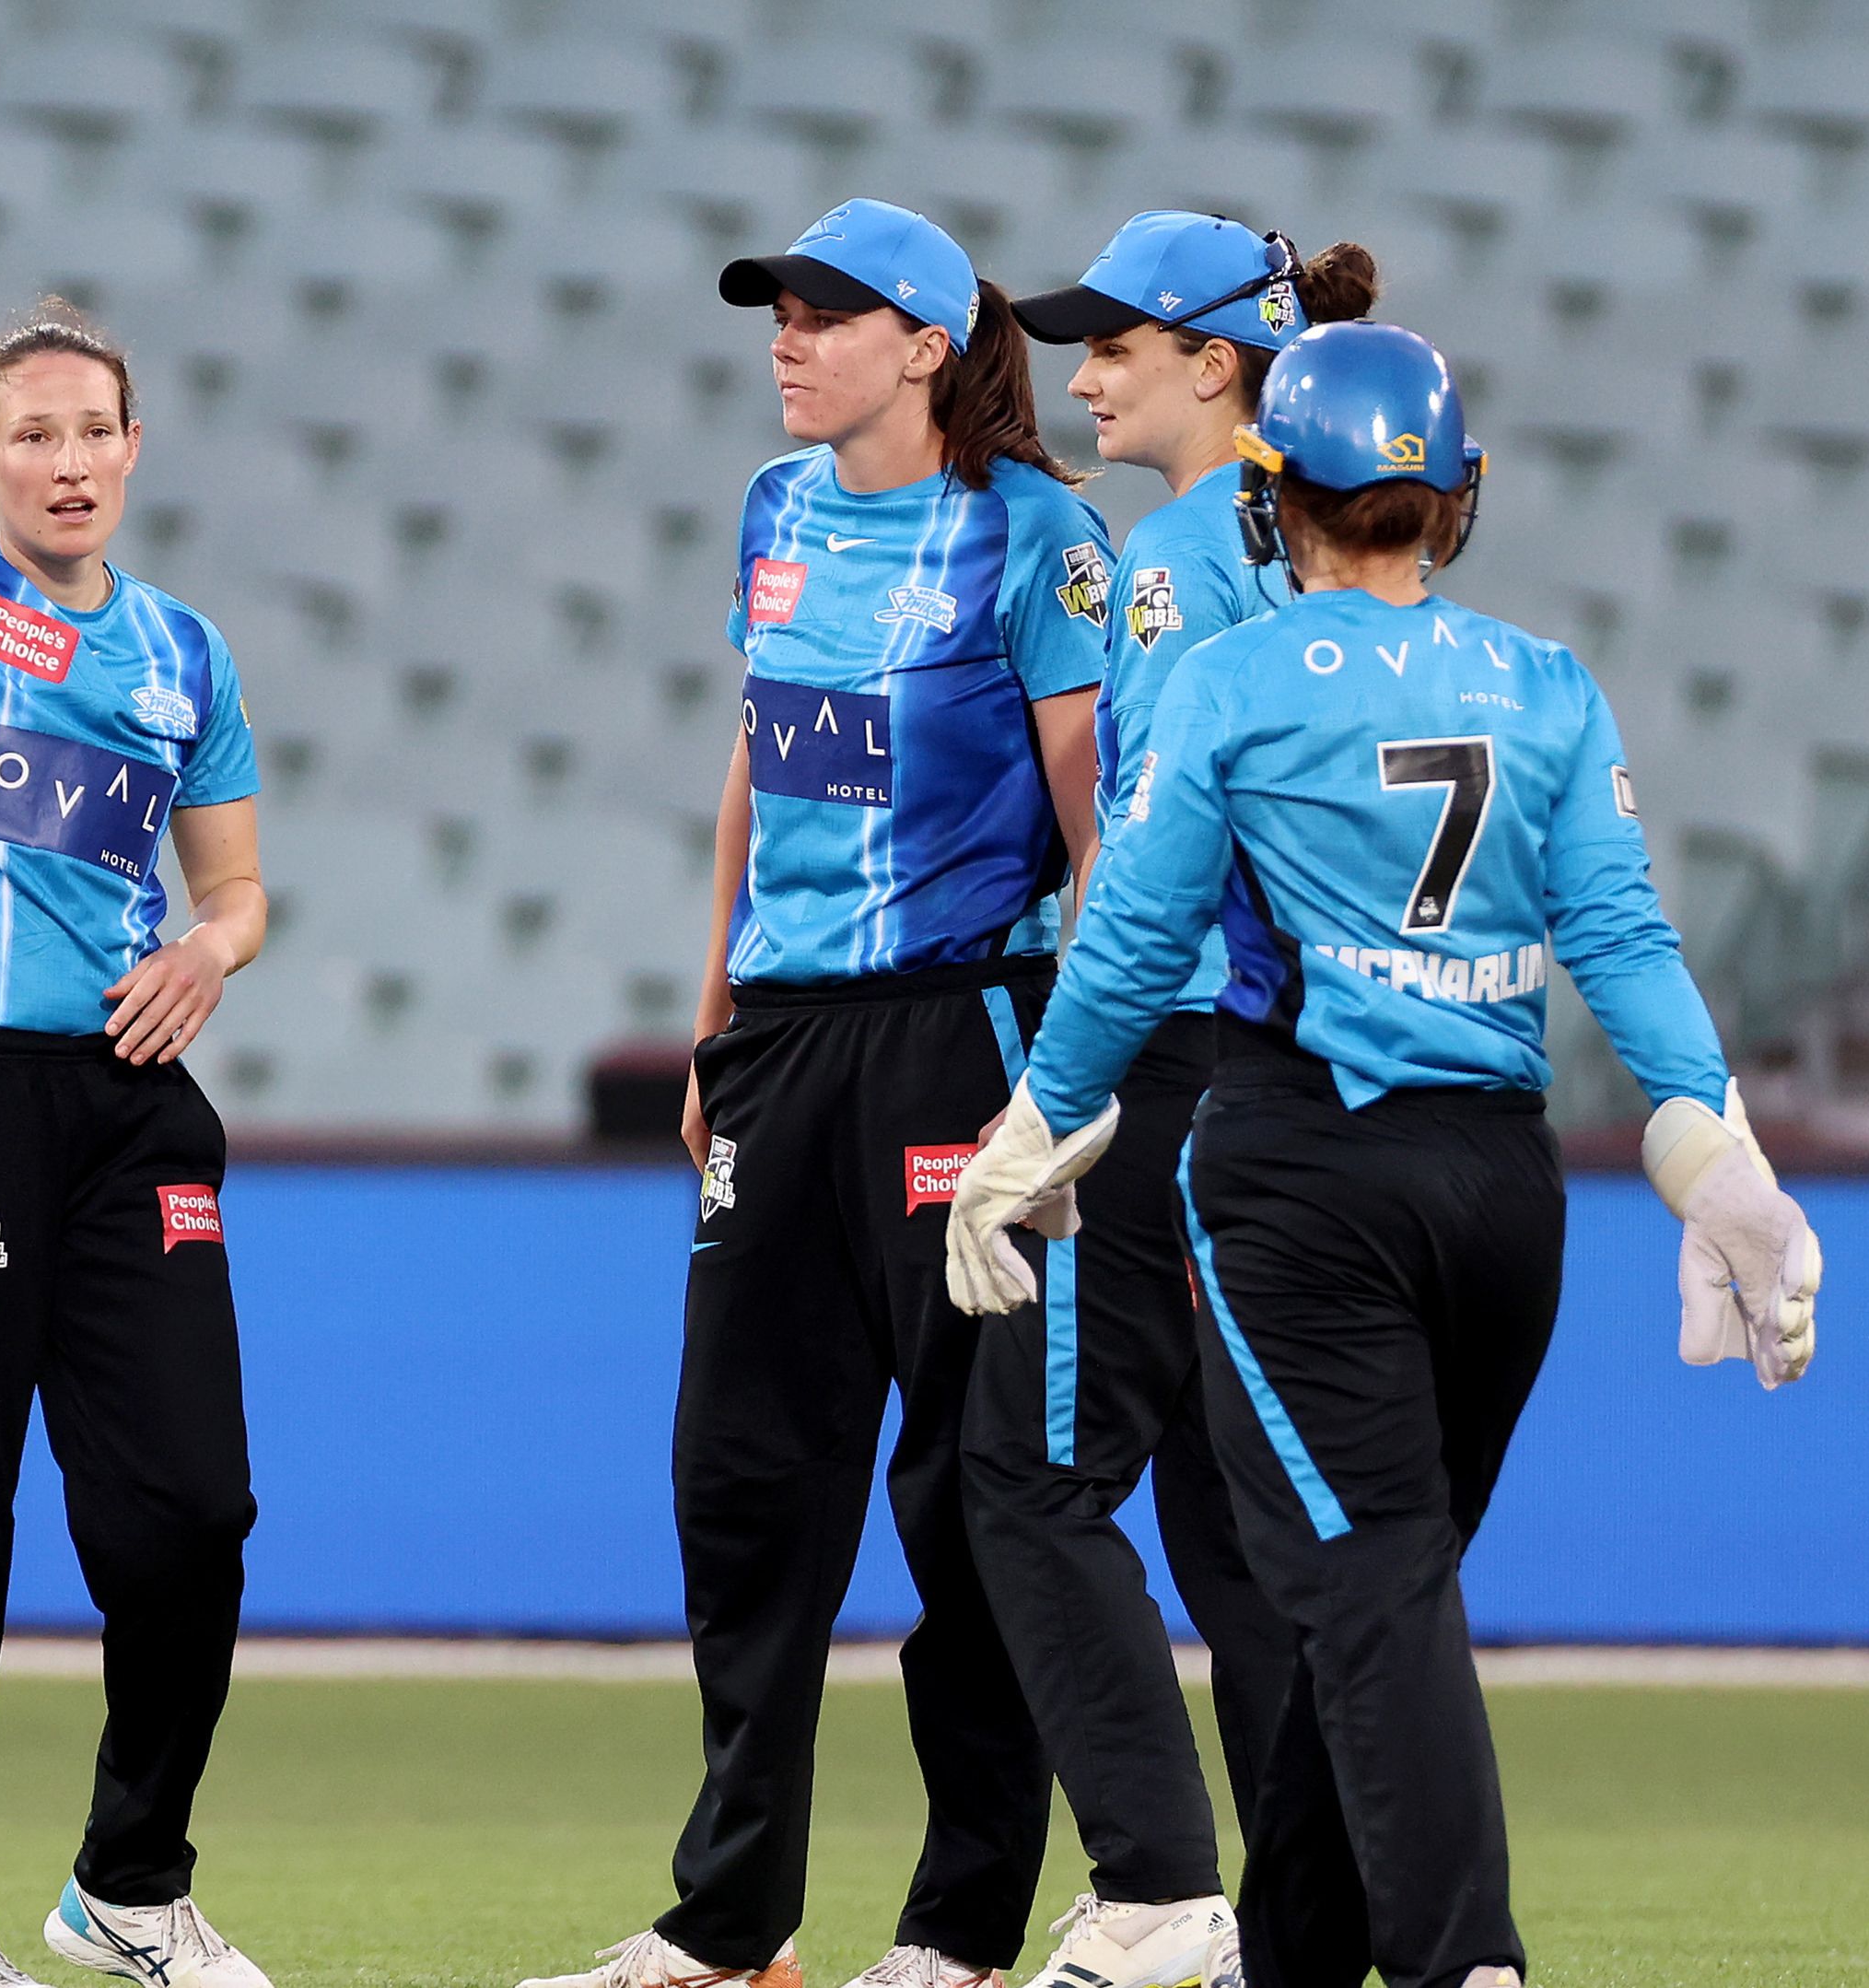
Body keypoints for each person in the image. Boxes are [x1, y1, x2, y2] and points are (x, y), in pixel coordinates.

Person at [944, 320, 1821, 1988]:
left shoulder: (1234, 680)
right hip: (1505, 1194)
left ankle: (1461, 1963)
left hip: (1304, 1179)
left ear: (1272, 497)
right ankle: (1297, 1962)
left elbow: (1131, 941)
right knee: (1382, 1590)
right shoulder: (1548, 685)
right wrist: (1714, 1145)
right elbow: (1621, 939)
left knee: (1373, 1600)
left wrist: (1034, 1125)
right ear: (1456, 494)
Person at [520, 198, 1116, 1988]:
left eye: (825, 313)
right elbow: (756, 765)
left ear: (927, 345)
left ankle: (955, 1926)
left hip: (963, 1035)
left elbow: (1101, 835)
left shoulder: (1034, 536)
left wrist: (1077, 1087)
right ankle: (729, 1925)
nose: (784, 336)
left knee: (960, 1493)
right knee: (743, 1478)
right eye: (776, 310)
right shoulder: (776, 515)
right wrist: (713, 1020)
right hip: (784, 1045)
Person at [0, 77, 274, 1988]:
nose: (71, 461)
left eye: (96, 430)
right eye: (34, 435)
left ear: (134, 445)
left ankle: (132, 1878)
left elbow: (238, 883)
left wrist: (216, 946)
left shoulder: (184, 651)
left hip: (128, 1109)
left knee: (192, 1507)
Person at [953, 213, 1382, 1988]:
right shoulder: (1341, 545)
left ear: (1221, 360)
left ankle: (1153, 1896)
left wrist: (1056, 1097)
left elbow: (1146, 846)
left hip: (1166, 1051)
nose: (1084, 370)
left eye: (1120, 339)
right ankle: (1315, 1922)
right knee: (1242, 1519)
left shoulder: (1179, 551)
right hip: (1322, 1072)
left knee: (1031, 1476)